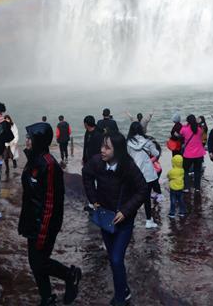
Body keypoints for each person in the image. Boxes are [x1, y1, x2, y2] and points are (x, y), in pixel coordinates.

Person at [19, 122, 82, 306]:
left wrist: (42, 230)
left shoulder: (49, 165)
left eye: (29, 139)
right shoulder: (33, 160)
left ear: (38, 140)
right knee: (36, 262)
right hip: (33, 220)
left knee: (39, 262)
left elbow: (50, 202)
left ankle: (70, 275)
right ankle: (47, 298)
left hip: (45, 223)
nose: (26, 142)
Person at [82, 133, 149, 306]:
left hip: (124, 222)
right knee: (113, 258)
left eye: (107, 147)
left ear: (117, 150)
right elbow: (86, 173)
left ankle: (120, 299)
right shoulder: (97, 162)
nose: (101, 150)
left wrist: (126, 211)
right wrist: (93, 198)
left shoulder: (129, 166)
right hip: (106, 219)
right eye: (102, 146)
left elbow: (142, 190)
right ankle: (124, 290)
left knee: (117, 258)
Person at [127, 122, 160, 228]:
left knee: (133, 197)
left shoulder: (128, 142)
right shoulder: (147, 141)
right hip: (147, 173)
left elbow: (126, 157)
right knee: (146, 198)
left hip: (134, 172)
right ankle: (148, 221)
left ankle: (129, 220)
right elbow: (156, 154)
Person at [180, 114, 205, 192]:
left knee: (185, 171)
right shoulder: (199, 129)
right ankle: (197, 188)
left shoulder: (184, 129)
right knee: (197, 171)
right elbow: (201, 133)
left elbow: (180, 133)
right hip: (199, 154)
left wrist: (185, 126)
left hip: (188, 155)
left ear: (188, 121)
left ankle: (186, 187)